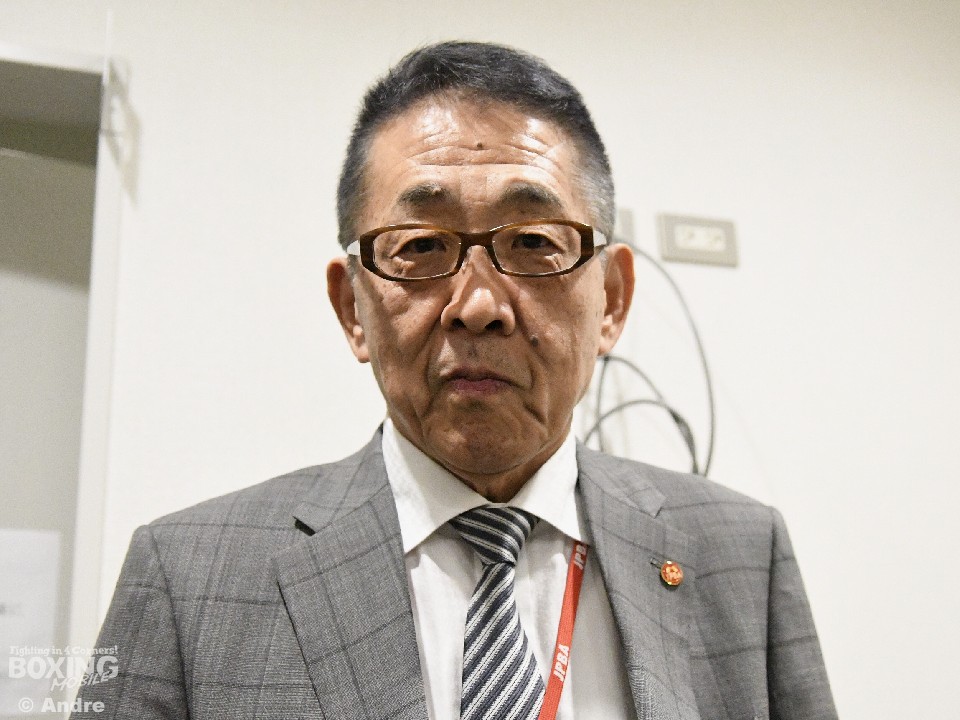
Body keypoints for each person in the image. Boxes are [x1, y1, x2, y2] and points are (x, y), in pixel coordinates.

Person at [72, 41, 837, 720]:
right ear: (352, 308)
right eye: (421, 246)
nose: (477, 306)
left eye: (534, 241)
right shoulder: (187, 579)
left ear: (612, 300)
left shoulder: (741, 555)